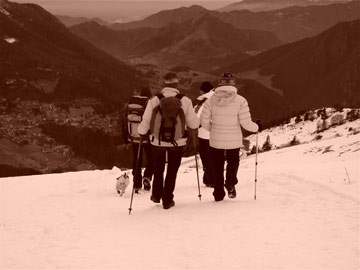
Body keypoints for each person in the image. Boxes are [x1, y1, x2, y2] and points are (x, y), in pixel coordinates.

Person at [138, 72, 199, 209]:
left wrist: (141, 132)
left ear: (164, 84)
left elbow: (146, 120)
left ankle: (156, 195)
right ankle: (167, 199)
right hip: (178, 142)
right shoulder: (185, 100)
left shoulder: (155, 100)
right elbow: (193, 124)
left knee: (158, 168)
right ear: (177, 84)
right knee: (172, 170)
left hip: (157, 141)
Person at [200, 72, 259, 201]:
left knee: (217, 165)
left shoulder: (210, 101)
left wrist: (213, 129)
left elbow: (204, 121)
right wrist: (257, 127)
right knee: (233, 162)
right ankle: (230, 183)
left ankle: (218, 193)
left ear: (219, 83)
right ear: (233, 83)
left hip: (216, 139)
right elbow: (245, 123)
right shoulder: (241, 100)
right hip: (234, 139)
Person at [127, 87, 154, 193]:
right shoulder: (149, 103)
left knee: (137, 159)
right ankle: (147, 176)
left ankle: (137, 182)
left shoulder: (132, 103)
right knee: (151, 158)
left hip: (134, 136)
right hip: (146, 136)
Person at [193, 81, 215, 187]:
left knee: (206, 156)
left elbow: (196, 116)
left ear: (203, 90)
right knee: (213, 156)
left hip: (204, 133)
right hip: (216, 132)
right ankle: (211, 178)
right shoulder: (217, 98)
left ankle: (210, 179)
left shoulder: (205, 101)